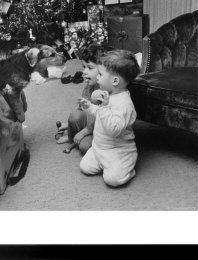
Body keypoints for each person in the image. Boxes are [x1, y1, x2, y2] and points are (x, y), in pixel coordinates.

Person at [78, 50, 140, 187]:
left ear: (115, 81)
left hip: (118, 149)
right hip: (100, 147)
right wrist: (89, 107)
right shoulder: (109, 95)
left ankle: (127, 163)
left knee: (113, 180)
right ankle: (102, 161)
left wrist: (104, 107)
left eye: (100, 75)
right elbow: (101, 114)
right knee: (85, 167)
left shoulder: (124, 104)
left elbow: (113, 129)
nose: (98, 78)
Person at [56, 44, 113, 154]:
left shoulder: (108, 92)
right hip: (90, 121)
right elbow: (82, 108)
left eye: (90, 67)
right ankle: (70, 136)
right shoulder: (91, 84)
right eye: (84, 67)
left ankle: (79, 135)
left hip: (102, 128)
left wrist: (84, 132)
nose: (85, 72)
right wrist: (71, 125)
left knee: (84, 147)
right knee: (74, 115)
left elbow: (102, 119)